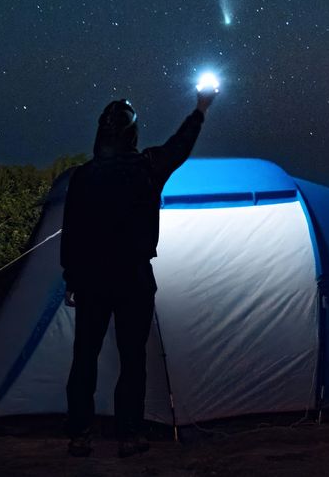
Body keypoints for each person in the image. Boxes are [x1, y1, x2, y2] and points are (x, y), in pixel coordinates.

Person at [61, 88, 217, 458]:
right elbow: (179, 146)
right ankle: (129, 434)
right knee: (132, 359)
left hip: (92, 280)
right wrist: (200, 110)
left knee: (85, 356)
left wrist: (72, 280)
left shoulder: (84, 176)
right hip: (133, 278)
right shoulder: (147, 167)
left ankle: (80, 433)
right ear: (132, 133)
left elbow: (73, 231)